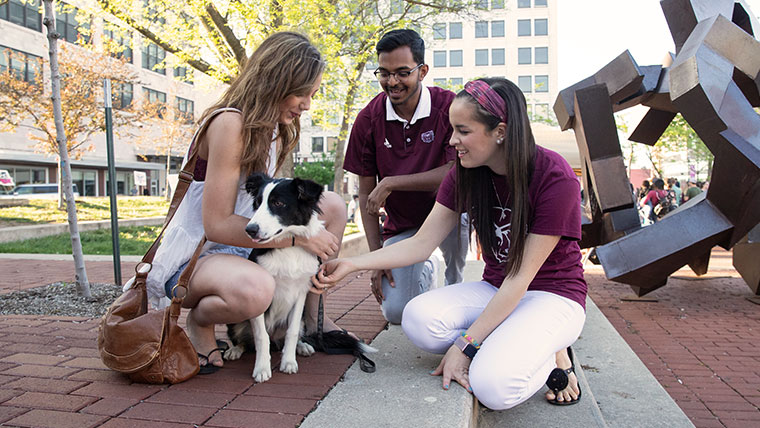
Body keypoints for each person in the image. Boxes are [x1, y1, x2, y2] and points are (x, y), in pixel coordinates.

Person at [314, 78, 587, 409]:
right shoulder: (466, 172)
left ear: (500, 131)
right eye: (451, 129)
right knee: (417, 319)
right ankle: (518, 341)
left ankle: (554, 354)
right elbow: (421, 244)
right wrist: (354, 264)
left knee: (492, 388)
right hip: (496, 288)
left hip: (552, 296)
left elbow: (520, 278)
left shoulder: (553, 175)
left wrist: (466, 344)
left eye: (463, 131)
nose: (452, 141)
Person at [140, 32, 348, 373]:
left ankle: (313, 320)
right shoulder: (230, 124)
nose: (308, 104)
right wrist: (300, 237)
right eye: (303, 92)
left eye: (313, 94)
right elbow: (218, 225)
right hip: (199, 256)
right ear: (276, 81)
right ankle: (201, 322)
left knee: (335, 206)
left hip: (242, 246)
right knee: (257, 290)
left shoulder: (266, 128)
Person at [342, 29, 468, 324]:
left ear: (422, 71)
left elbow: (458, 171)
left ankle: (455, 286)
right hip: (404, 224)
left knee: (458, 295)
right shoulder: (368, 119)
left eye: (402, 72)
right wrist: (377, 260)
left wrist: (392, 182)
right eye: (384, 73)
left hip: (450, 212)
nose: (392, 81)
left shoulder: (449, 107)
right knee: (396, 312)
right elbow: (366, 195)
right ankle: (424, 270)